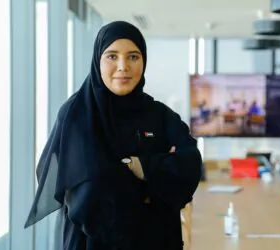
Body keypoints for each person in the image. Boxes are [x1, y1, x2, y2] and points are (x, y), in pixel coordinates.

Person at [24, 21, 203, 250]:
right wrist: (156, 187)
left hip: (157, 240)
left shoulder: (160, 115)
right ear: (97, 60)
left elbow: (190, 167)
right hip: (92, 242)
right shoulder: (77, 115)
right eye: (111, 56)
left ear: (143, 61)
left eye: (133, 57)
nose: (123, 66)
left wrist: (140, 166)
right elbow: (91, 192)